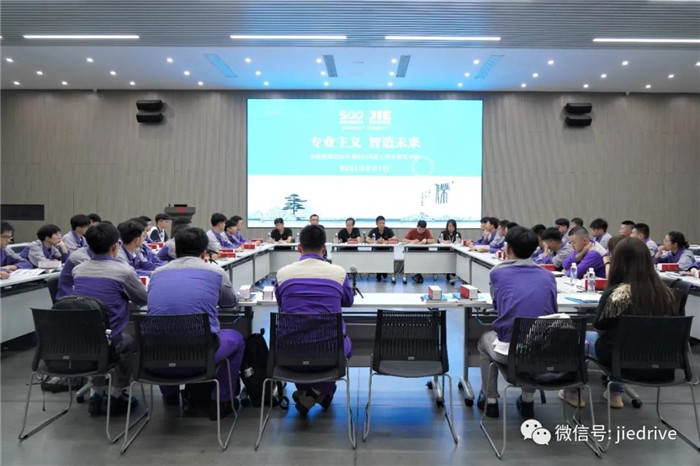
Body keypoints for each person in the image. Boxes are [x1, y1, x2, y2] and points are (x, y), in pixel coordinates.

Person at [560, 237, 676, 409]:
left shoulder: (618, 294)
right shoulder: (666, 293)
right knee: (625, 342)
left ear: (619, 262)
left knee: (578, 336)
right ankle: (615, 393)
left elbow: (599, 325)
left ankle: (572, 391)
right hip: (660, 361)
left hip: (621, 357)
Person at [147, 227, 244, 420]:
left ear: (176, 250)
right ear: (204, 252)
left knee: (165, 331)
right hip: (202, 356)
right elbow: (229, 303)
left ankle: (170, 395)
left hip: (156, 357)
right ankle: (222, 400)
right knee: (237, 339)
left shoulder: (157, 274)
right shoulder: (216, 272)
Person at [477, 226, 557, 419]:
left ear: (508, 248)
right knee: (533, 337)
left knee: (483, 342)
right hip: (542, 352)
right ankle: (528, 401)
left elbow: (498, 305)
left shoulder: (497, 272)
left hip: (510, 352)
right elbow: (553, 311)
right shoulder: (548, 276)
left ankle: (490, 400)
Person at [274, 225, 353, 415]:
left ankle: (307, 392)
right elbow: (348, 301)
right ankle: (319, 391)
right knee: (345, 345)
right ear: (324, 249)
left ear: (299, 248)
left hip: (289, 353)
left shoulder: (283, 274)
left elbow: (281, 303)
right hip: (329, 353)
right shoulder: (338, 273)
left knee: (302, 343)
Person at [71, 222, 147, 416]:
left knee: (99, 341)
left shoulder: (78, 270)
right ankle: (116, 394)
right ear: (115, 246)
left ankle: (96, 393)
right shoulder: (123, 272)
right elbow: (142, 299)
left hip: (80, 340)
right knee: (131, 341)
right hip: (111, 340)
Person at [367, 216, 397, 281]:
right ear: (376, 224)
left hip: (387, 250)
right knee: (378, 257)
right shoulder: (373, 230)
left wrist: (386, 241)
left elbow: (394, 239)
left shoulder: (388, 230)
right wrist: (376, 241)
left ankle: (383, 271)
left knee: (385, 257)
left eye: (383, 223)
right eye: (380, 223)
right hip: (376, 250)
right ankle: (379, 272)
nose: (382, 225)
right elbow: (367, 239)